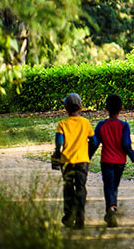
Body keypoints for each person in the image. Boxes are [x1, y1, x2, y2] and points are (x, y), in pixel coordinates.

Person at [89, 93, 134, 228]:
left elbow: (94, 143)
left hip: (106, 161)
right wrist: (132, 155)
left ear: (106, 108)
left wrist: (87, 157)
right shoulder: (124, 126)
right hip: (120, 162)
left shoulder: (101, 125)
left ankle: (110, 209)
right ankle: (112, 209)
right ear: (121, 108)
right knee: (114, 186)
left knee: (108, 186)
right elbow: (126, 144)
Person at [52, 93, 93, 229]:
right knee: (81, 187)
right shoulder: (85, 123)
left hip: (67, 161)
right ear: (80, 107)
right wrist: (88, 153)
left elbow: (59, 142)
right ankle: (80, 218)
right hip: (82, 160)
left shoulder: (62, 124)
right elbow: (94, 140)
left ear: (65, 108)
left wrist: (57, 154)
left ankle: (69, 217)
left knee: (68, 188)